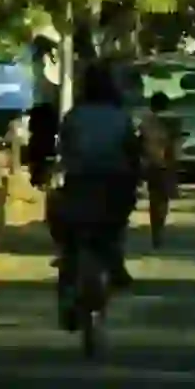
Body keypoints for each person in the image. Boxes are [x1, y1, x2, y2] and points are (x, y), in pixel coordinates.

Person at [50, 61, 141, 330]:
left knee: (68, 229)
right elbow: (131, 151)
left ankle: (68, 272)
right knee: (115, 224)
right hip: (115, 183)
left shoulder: (74, 116)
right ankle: (115, 264)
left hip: (80, 181)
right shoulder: (121, 116)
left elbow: (64, 149)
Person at [138, 92, 179, 249]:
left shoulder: (147, 121)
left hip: (151, 163)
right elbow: (175, 142)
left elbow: (141, 141)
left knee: (154, 198)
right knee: (163, 199)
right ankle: (159, 228)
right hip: (167, 163)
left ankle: (156, 231)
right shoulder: (174, 120)